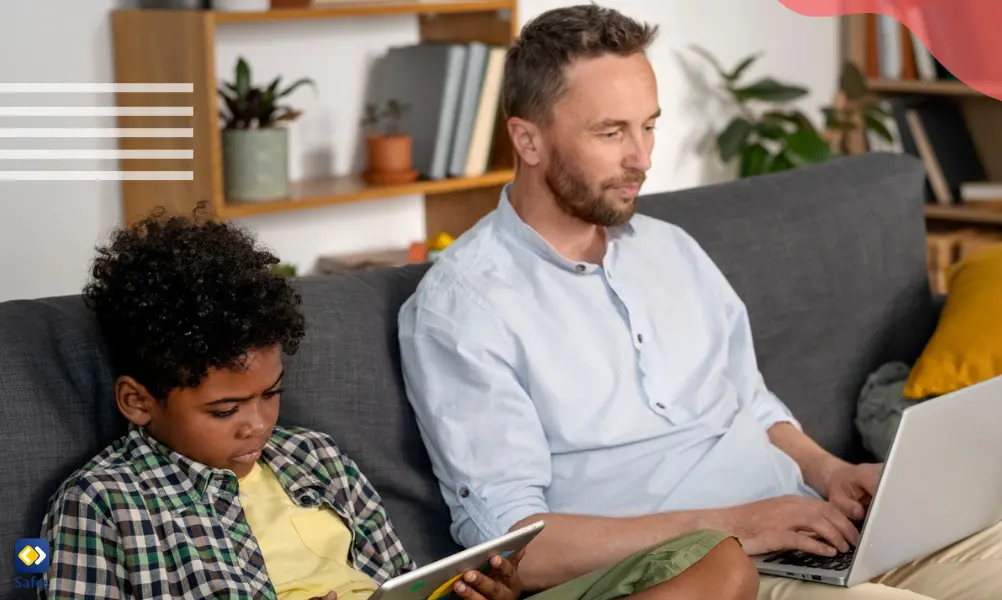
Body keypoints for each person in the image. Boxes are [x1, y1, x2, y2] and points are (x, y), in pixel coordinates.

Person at [397, 4, 1002, 600]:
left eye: (648, 126)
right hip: (712, 567)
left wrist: (832, 470)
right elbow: (514, 546)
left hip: (815, 527)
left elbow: (751, 403)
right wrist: (742, 522)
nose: (642, 157)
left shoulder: (671, 250)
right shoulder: (465, 307)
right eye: (612, 132)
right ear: (528, 140)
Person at [38, 210, 759, 600]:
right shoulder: (104, 505)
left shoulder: (314, 459)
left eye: (271, 394)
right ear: (137, 401)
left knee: (721, 564)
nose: (259, 423)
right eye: (226, 411)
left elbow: (404, 581)